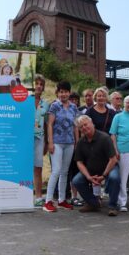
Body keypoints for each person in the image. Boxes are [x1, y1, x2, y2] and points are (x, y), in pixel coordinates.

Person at [72, 115, 120, 216]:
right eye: (81, 127)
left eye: (85, 124)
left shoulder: (105, 138)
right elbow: (79, 162)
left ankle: (112, 206)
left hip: (109, 168)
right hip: (91, 170)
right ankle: (93, 203)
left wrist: (103, 175)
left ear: (92, 123)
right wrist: (88, 177)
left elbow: (113, 159)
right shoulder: (81, 142)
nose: (84, 128)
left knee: (115, 178)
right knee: (76, 180)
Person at [43, 81, 79, 212]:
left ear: (69, 93)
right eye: (61, 91)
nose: (63, 94)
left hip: (69, 143)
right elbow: (50, 125)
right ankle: (47, 201)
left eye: (65, 91)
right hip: (57, 143)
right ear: (57, 93)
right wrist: (50, 142)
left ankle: (62, 200)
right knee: (56, 171)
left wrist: (77, 142)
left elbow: (75, 126)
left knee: (65, 172)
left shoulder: (74, 107)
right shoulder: (54, 106)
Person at [33, 74, 49, 207]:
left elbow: (46, 124)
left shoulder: (46, 104)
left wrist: (47, 142)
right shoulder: (24, 100)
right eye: (36, 83)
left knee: (38, 167)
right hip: (24, 138)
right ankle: (21, 195)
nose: (39, 86)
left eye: (41, 84)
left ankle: (38, 196)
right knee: (24, 166)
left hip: (39, 138)